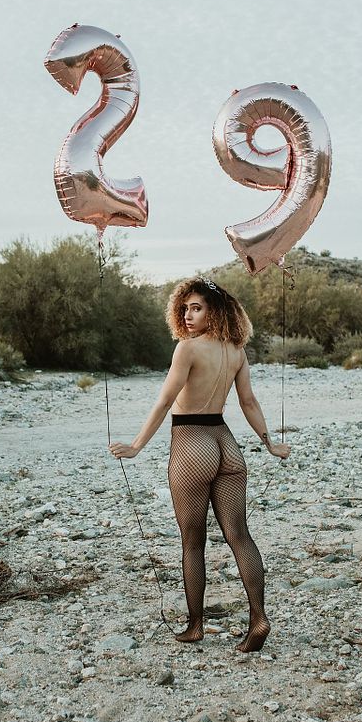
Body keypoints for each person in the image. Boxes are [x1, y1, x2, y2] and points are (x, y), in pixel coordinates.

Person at [109, 277, 290, 652]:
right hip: (227, 445)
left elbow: (164, 401)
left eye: (197, 308)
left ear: (215, 311)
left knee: (193, 542)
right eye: (185, 308)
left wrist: (137, 445)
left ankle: (195, 626)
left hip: (192, 443)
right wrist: (269, 443)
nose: (188, 315)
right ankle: (258, 616)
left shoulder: (187, 350)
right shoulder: (236, 350)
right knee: (239, 535)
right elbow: (249, 403)